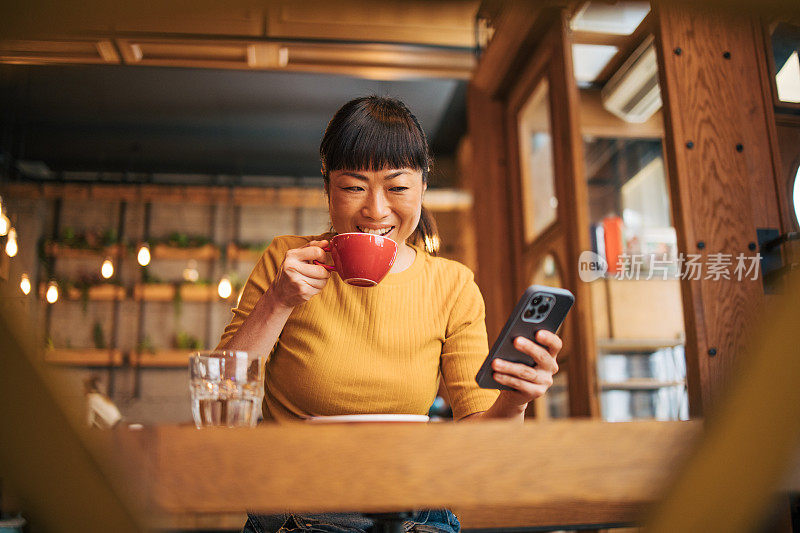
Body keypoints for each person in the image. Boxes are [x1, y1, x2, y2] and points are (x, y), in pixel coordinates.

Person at [217, 96, 563, 533]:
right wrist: (278, 301)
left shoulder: (452, 285)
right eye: (353, 187)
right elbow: (222, 401)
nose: (376, 210)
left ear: (422, 187)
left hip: (413, 512)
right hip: (297, 510)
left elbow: (483, 442)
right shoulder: (286, 261)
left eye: (397, 188)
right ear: (328, 189)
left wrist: (516, 399)